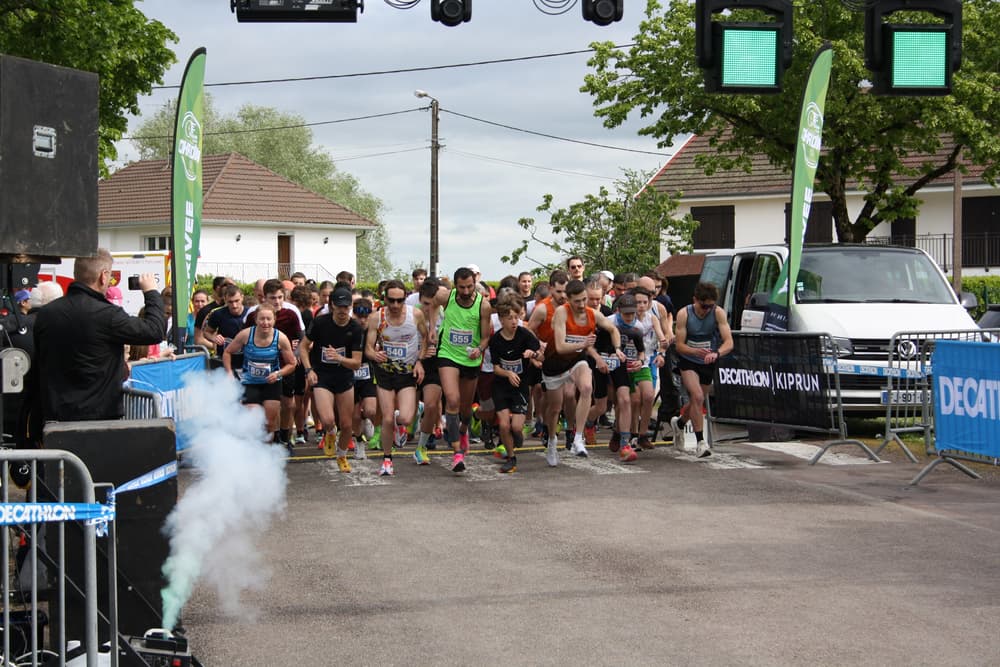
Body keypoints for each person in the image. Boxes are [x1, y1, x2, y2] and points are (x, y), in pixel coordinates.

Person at [33, 249, 165, 422]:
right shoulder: (108, 315)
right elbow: (154, 331)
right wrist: (151, 293)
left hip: (54, 417)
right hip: (98, 419)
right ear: (103, 276)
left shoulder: (46, 313)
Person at [542, 279, 625, 465]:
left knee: (587, 388)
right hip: (555, 362)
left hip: (577, 360)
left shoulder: (592, 314)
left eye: (584, 300)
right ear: (568, 300)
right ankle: (552, 441)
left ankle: (578, 438)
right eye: (577, 301)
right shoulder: (561, 313)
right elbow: (562, 347)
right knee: (555, 407)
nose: (581, 304)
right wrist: (583, 344)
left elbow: (613, 329)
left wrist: (617, 348)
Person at [432, 267, 492, 473]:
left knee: (466, 409)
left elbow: (485, 337)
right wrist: (432, 329)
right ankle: (457, 453)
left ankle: (464, 430)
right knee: (452, 399)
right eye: (461, 287)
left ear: (475, 282)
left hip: (470, 359)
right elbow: (430, 304)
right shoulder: (445, 296)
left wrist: (480, 349)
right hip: (448, 354)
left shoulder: (482, 306)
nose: (466, 292)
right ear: (455, 286)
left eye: (470, 287)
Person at [365, 280, 428, 476]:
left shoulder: (415, 315)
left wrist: (419, 361)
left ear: (404, 299)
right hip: (385, 372)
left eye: (399, 300)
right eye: (391, 300)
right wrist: (374, 355)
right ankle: (386, 460)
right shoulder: (377, 318)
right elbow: (368, 348)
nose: (394, 305)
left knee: (406, 418)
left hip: (407, 373)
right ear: (384, 299)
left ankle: (406, 419)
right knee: (386, 417)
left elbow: (426, 338)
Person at [300, 285, 364, 473]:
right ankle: (329, 432)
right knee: (328, 419)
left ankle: (342, 455)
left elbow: (357, 363)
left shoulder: (356, 329)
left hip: (344, 377)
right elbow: (303, 347)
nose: (343, 311)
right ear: (332, 305)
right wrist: (308, 370)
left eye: (346, 307)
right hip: (322, 376)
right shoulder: (320, 323)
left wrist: (339, 358)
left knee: (346, 424)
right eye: (339, 306)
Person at [222, 302, 297, 454]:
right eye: (262, 319)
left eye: (269, 319)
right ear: (256, 319)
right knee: (254, 421)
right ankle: (252, 453)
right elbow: (227, 352)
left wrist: (278, 374)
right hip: (250, 382)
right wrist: (229, 372)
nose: (265, 323)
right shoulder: (245, 335)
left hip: (272, 383)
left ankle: (266, 457)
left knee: (269, 423)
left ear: (274, 320)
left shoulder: (281, 338)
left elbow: (292, 364)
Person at [671, 282, 734, 458]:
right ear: (695, 300)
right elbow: (680, 346)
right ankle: (700, 442)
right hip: (689, 360)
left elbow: (729, 342)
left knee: (696, 402)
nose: (706, 310)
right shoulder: (684, 314)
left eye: (710, 306)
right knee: (697, 396)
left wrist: (717, 353)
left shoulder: (718, 313)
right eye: (703, 305)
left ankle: (680, 424)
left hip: (708, 360)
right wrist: (695, 351)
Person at [488, 298, 541, 473]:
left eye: (516, 317)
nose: (513, 321)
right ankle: (511, 458)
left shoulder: (525, 334)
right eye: (509, 318)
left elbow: (540, 355)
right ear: (501, 319)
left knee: (516, 427)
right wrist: (508, 373)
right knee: (504, 425)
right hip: (501, 386)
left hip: (521, 385)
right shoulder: (495, 340)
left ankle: (517, 438)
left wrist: (532, 353)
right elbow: (495, 368)